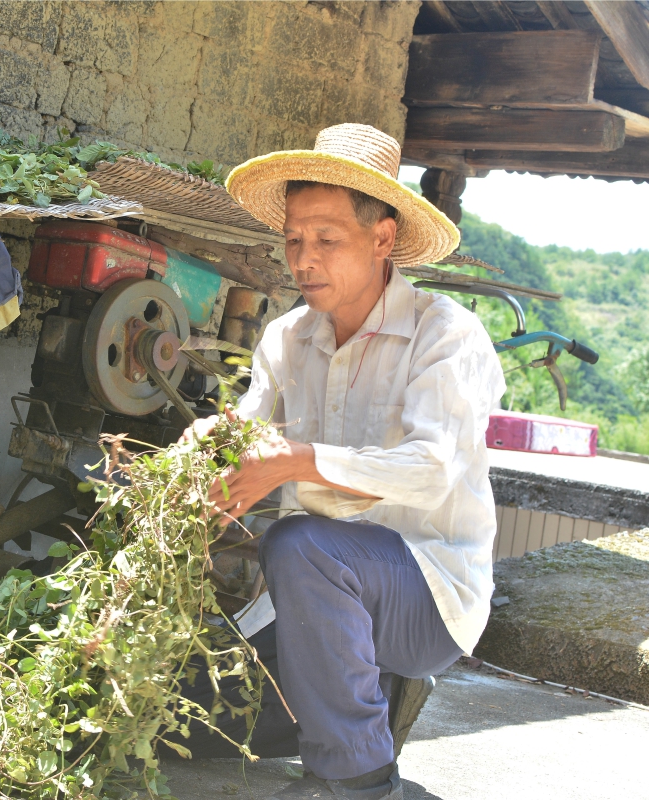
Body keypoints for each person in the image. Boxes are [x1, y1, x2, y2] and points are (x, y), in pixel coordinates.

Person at [179, 124, 506, 799]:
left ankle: (358, 780)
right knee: (189, 709)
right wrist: (209, 447)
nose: (304, 258)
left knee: (297, 541)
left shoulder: (444, 335)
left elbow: (428, 471)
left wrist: (296, 462)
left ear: (382, 238)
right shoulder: (287, 337)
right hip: (323, 595)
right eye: (295, 239)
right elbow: (249, 433)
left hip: (428, 594)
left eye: (327, 239)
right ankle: (362, 710)